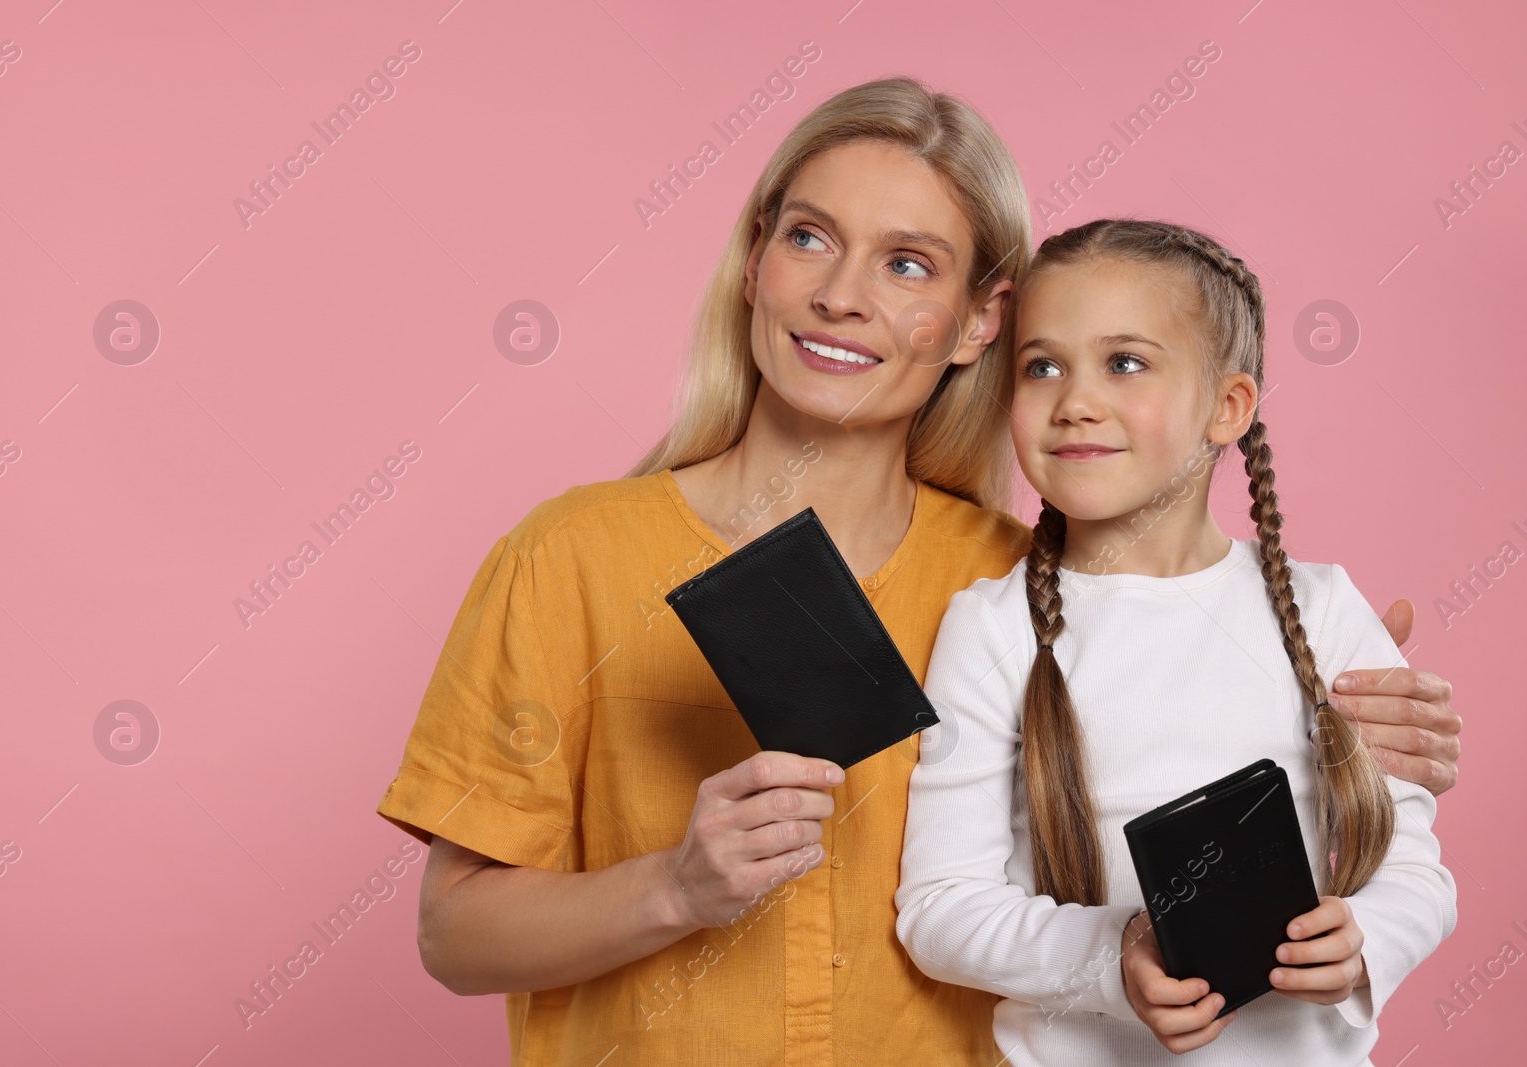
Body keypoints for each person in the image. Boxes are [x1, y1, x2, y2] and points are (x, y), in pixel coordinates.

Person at [374, 79, 1462, 1066]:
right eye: (809, 238)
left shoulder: (1019, 583)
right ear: (754, 262)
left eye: (907, 264)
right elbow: (453, 934)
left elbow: (1188, 747)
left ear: (977, 320)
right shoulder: (568, 556)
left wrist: (1344, 730)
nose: (842, 296)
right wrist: (672, 884)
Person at [894, 218, 1458, 1065]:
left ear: (1227, 407)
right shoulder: (993, 627)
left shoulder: (1324, 608)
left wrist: (1364, 940)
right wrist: (1113, 956)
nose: (1076, 399)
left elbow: (1415, 870)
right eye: (1042, 365)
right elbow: (940, 904)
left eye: (1125, 362)